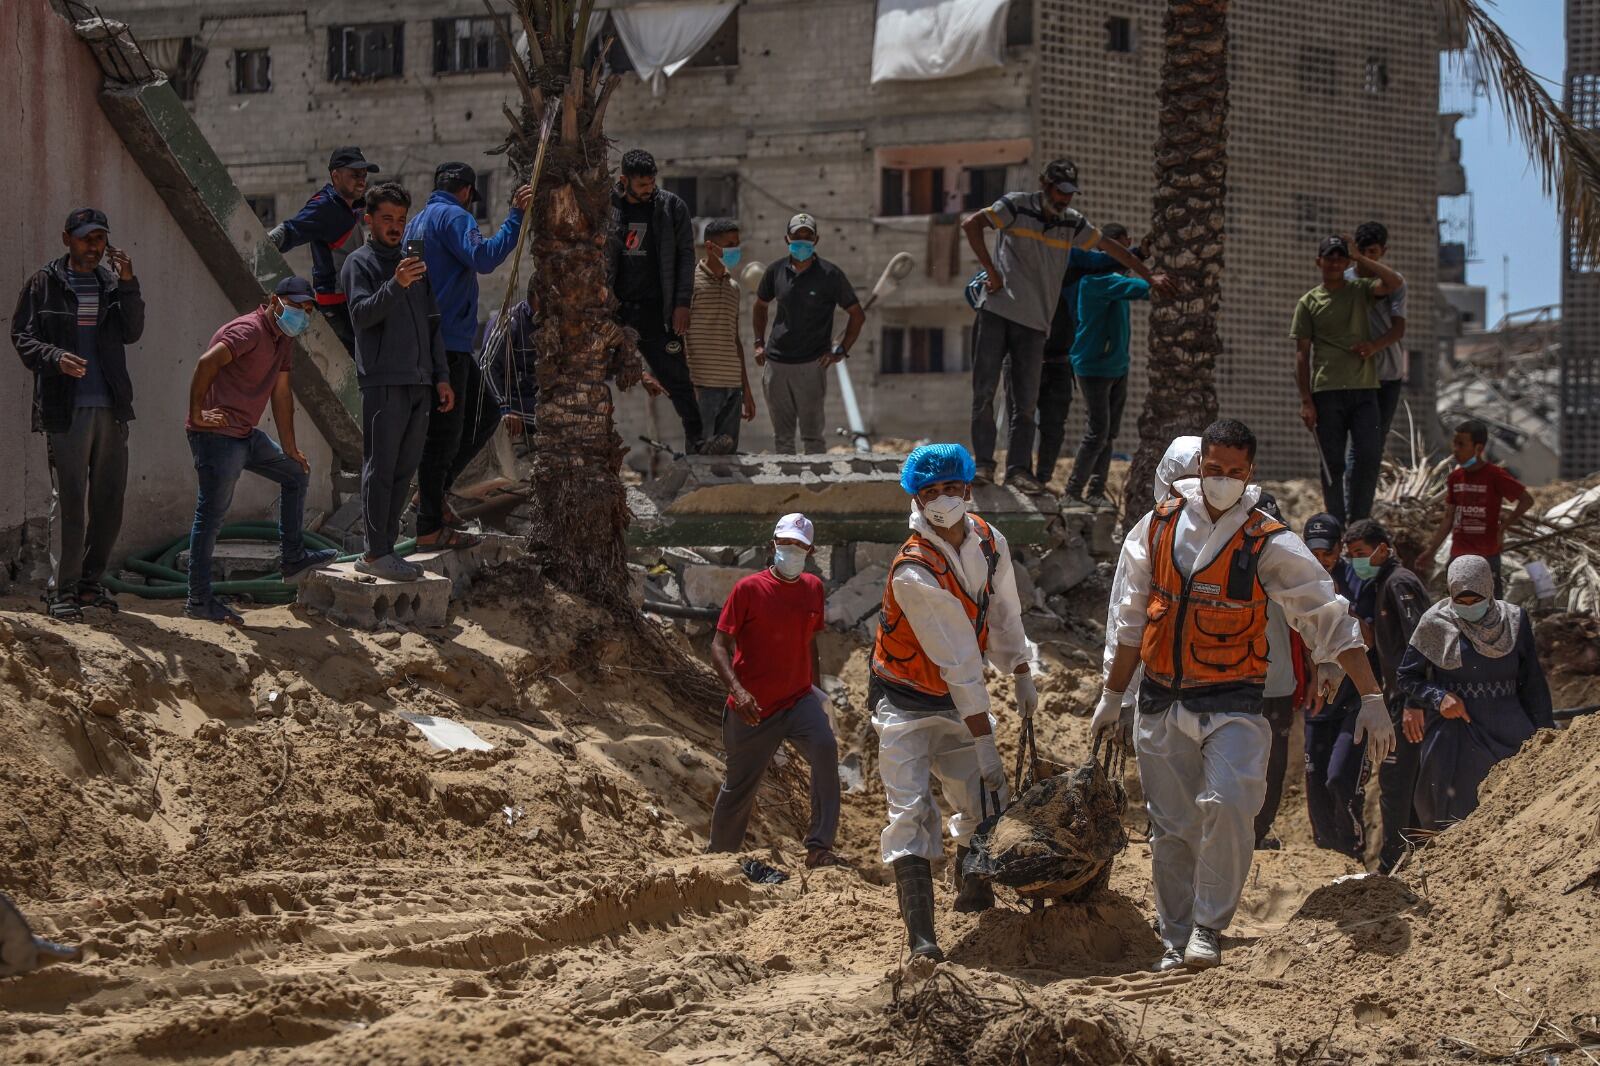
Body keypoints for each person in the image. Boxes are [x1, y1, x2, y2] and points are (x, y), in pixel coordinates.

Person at [1093, 419, 1393, 972]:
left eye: (1235, 472)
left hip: (1234, 702)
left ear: (1249, 473)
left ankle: (1209, 925)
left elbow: (1324, 614)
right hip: (1160, 701)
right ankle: (1174, 933)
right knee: (1172, 827)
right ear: (1199, 467)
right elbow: (1130, 617)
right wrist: (1114, 694)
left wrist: (1372, 696)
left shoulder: (1267, 539)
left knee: (1231, 806)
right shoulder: (1155, 529)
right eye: (1214, 469)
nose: (1222, 480)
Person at [870, 443, 1038, 962]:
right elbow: (960, 661)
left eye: (951, 488)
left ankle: (973, 889)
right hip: (905, 699)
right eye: (931, 492)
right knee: (910, 809)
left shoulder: (988, 541)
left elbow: (1005, 611)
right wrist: (985, 738)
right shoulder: (914, 571)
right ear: (917, 499)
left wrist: (1022, 668)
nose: (943, 499)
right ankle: (923, 937)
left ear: (968, 488)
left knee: (979, 797)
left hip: (955, 697)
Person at [962, 160, 1168, 491]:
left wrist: (1149, 273)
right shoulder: (1015, 205)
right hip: (998, 313)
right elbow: (972, 224)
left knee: (1027, 406)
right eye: (1060, 192)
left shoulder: (1071, 224)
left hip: (1034, 325)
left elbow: (1109, 251)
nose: (1064, 200)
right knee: (984, 393)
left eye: (1070, 194)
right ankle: (984, 466)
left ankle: (1018, 471)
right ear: (1045, 184)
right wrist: (991, 269)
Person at [10, 207, 144, 621]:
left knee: (108, 502)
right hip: (65, 410)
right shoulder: (44, 283)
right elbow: (22, 336)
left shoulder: (109, 283)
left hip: (110, 407)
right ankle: (61, 590)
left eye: (100, 239)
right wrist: (54, 357)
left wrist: (128, 284)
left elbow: (132, 331)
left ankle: (89, 585)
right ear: (66, 238)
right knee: (69, 502)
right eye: (87, 238)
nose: (94, 246)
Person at [184, 277, 340, 623]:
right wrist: (197, 415)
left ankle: (293, 559)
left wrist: (290, 448)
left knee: (295, 473)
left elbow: (281, 395)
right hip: (217, 436)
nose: (302, 314)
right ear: (274, 300)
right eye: (296, 306)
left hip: (244, 434)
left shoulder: (281, 339)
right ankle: (198, 600)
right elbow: (206, 364)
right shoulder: (249, 330)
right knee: (210, 517)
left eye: (307, 310)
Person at [404, 162, 531, 550]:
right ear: (466, 192)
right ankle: (428, 523)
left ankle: (433, 495)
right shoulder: (454, 216)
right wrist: (515, 216)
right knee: (445, 436)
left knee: (484, 414)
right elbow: (485, 258)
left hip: (431, 340)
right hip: (450, 344)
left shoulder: (418, 223)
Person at [708, 513, 843, 867]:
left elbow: (810, 641)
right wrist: (738, 691)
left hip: (798, 699)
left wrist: (817, 689)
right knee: (739, 787)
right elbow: (719, 645)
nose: (791, 550)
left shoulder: (814, 587)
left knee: (826, 749)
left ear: (810, 551)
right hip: (752, 708)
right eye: (785, 543)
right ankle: (719, 860)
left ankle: (819, 846)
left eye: (799, 545)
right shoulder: (748, 589)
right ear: (773, 546)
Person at [344, 183, 454, 582]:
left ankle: (386, 549)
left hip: (419, 381)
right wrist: (396, 285)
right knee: (380, 466)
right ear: (368, 220)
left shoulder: (415, 266)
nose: (395, 227)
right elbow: (361, 316)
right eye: (387, 219)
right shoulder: (361, 264)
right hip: (383, 382)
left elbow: (432, 326)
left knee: (404, 469)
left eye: (401, 220)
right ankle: (375, 553)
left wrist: (440, 376)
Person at [1397, 555, 1552, 830]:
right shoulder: (1435, 622)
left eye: (1475, 600)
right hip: (1456, 737)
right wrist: (1438, 697)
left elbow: (1533, 684)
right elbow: (1408, 676)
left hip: (1511, 732)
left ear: (1489, 590)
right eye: (1461, 601)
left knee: (1517, 816)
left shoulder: (1514, 620)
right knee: (1455, 821)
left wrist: (1546, 735)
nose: (1468, 607)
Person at [1292, 234, 1405, 523]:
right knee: (1332, 462)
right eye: (1329, 257)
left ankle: (1359, 521)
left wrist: (1360, 257)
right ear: (1319, 261)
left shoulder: (1359, 290)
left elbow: (1394, 283)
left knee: (1368, 455)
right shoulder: (1308, 302)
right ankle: (1336, 522)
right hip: (1327, 390)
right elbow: (1302, 354)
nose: (1334, 263)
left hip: (1365, 388)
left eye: (1340, 257)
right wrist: (1306, 401)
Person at [1343, 518, 1431, 872]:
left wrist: (1414, 702)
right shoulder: (1382, 584)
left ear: (1383, 548)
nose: (1355, 561)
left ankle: (1393, 865)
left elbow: (1420, 642)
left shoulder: (1400, 583)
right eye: (1350, 555)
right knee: (1403, 784)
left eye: (1361, 553)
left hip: (1409, 702)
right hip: (1399, 699)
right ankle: (1408, 861)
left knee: (1396, 783)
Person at [606, 149, 701, 453]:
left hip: (658, 311)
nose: (649, 190)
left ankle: (697, 444)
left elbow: (687, 256)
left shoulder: (672, 207)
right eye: (642, 185)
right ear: (624, 181)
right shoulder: (609, 208)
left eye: (651, 183)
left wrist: (682, 303)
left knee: (677, 379)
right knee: (595, 372)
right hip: (617, 312)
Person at [752, 213, 865, 454]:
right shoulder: (776, 271)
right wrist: (759, 343)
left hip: (812, 365)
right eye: (797, 236)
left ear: (816, 239)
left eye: (807, 236)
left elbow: (857, 314)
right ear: (787, 239)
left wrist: (842, 350)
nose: (802, 241)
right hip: (776, 364)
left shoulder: (830, 275)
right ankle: (788, 488)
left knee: (812, 437)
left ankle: (815, 489)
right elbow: (760, 305)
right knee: (783, 438)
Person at [1062, 224, 1155, 509]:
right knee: (1097, 432)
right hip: (1094, 367)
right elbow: (1143, 289)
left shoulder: (1111, 277)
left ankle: (1095, 491)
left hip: (1115, 367)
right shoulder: (1097, 281)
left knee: (1108, 433)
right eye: (1123, 247)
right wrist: (1161, 279)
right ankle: (1073, 492)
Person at [1300, 511, 1370, 861]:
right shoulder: (1298, 578)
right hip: (1317, 700)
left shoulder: (1354, 579)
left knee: (1340, 778)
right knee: (1315, 783)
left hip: (1353, 699)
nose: (1320, 560)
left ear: (1339, 549)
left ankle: (1353, 850)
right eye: (1314, 552)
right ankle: (1325, 857)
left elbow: (1367, 635)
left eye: (1327, 553)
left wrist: (1341, 622)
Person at [267, 147, 380, 354]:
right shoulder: (325, 206)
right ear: (335, 176)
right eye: (354, 175)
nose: (361, 180)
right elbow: (291, 229)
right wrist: (261, 249)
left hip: (350, 299)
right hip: (337, 306)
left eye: (364, 175)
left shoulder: (348, 205)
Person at [1034, 230, 1122, 486]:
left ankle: (1042, 481)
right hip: (1027, 359)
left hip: (1061, 360)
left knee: (1054, 426)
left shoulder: (1073, 263)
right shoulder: (1025, 266)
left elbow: (1102, 262)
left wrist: (1137, 255)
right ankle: (1021, 477)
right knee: (1024, 420)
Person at [1423, 419, 1535, 597]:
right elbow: (1448, 519)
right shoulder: (1455, 478)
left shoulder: (1495, 475)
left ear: (1478, 448)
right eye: (1454, 443)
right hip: (1458, 555)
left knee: (1491, 604)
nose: (1455, 449)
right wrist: (1431, 551)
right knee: (1458, 603)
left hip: (1487, 555)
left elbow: (1526, 500)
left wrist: (1502, 528)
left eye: (1461, 444)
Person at [1252, 493, 1298, 851]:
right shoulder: (1227, 559)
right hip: (1237, 682)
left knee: (1274, 764)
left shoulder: (1291, 567)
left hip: (1279, 683)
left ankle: (1258, 831)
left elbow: (1309, 626)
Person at [686, 218, 755, 454]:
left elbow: (734, 339)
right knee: (700, 456)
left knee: (727, 458)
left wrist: (745, 390)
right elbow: (679, 334)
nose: (735, 250)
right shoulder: (689, 284)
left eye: (737, 243)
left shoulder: (733, 287)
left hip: (732, 387)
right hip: (703, 386)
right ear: (710, 247)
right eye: (729, 244)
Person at [1350, 222, 1408, 449]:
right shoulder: (1345, 281)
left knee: (1376, 440)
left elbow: (1398, 329)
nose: (1366, 257)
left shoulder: (1393, 283)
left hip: (1387, 374)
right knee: (1358, 439)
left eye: (1372, 252)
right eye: (1362, 251)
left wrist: (1375, 346)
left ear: (1384, 251)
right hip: (1357, 375)